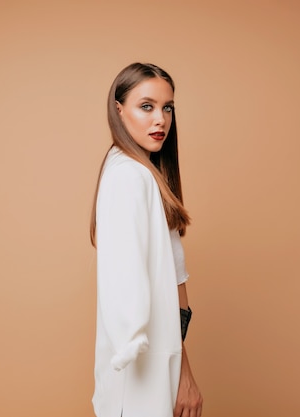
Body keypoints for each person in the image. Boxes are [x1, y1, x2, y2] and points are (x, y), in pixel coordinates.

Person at [89, 63, 203, 417]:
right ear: (118, 110)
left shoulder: (139, 173)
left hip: (153, 364)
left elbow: (173, 281)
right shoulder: (130, 178)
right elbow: (134, 287)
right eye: (147, 106)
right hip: (143, 372)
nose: (161, 120)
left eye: (167, 107)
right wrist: (184, 374)